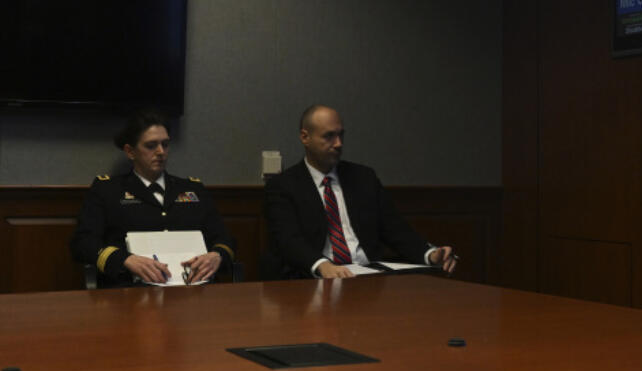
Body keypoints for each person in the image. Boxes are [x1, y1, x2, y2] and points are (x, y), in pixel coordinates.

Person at [263, 105, 457, 279]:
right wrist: (323, 265)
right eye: (329, 136)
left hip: (367, 279)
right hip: (313, 279)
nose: (338, 143)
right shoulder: (283, 185)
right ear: (305, 137)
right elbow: (288, 240)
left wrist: (430, 254)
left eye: (341, 135)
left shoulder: (363, 178)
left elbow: (395, 228)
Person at [70, 110, 236, 286]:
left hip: (194, 291)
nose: (161, 152)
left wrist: (216, 256)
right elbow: (83, 243)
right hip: (131, 292)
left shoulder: (193, 189)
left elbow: (225, 239)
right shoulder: (108, 190)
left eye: (165, 144)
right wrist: (125, 260)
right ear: (130, 151)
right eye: (151, 145)